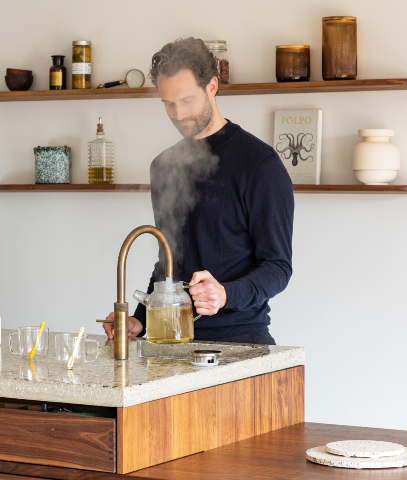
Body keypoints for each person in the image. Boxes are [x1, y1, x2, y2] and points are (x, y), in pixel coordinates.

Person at [102, 38, 294, 345]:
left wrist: (225, 293)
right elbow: (169, 261)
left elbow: (278, 267)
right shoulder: (164, 166)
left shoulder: (259, 164)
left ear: (212, 87)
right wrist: (140, 318)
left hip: (240, 341)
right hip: (171, 340)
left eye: (187, 100)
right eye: (168, 103)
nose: (178, 114)